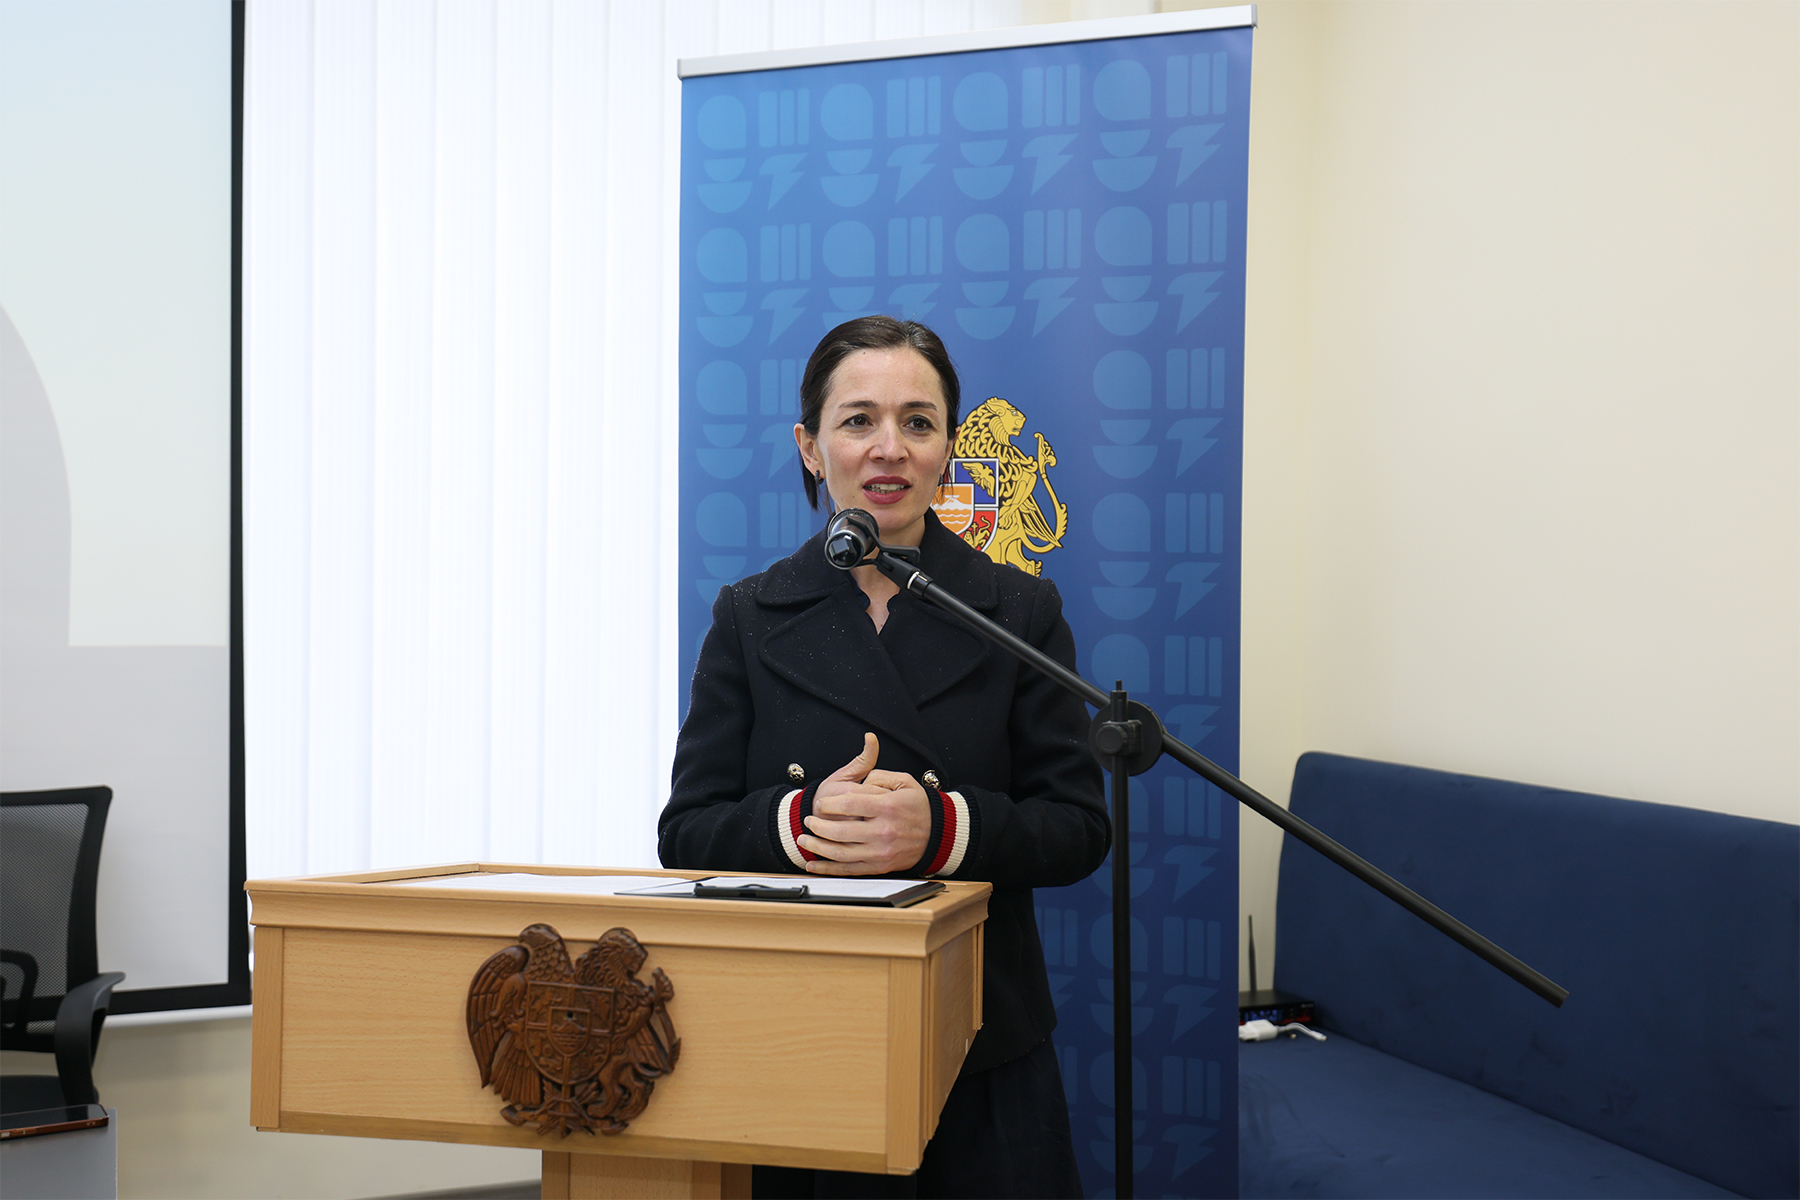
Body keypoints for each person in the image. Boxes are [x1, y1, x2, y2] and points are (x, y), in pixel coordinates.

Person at [660, 316, 1109, 1199]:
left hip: (982, 1042)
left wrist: (941, 830)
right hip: (799, 1041)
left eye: (918, 421)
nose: (888, 448)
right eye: (858, 420)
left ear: (949, 449)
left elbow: (1078, 830)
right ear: (811, 446)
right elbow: (686, 832)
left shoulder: (1019, 611)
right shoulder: (748, 615)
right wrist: (802, 823)